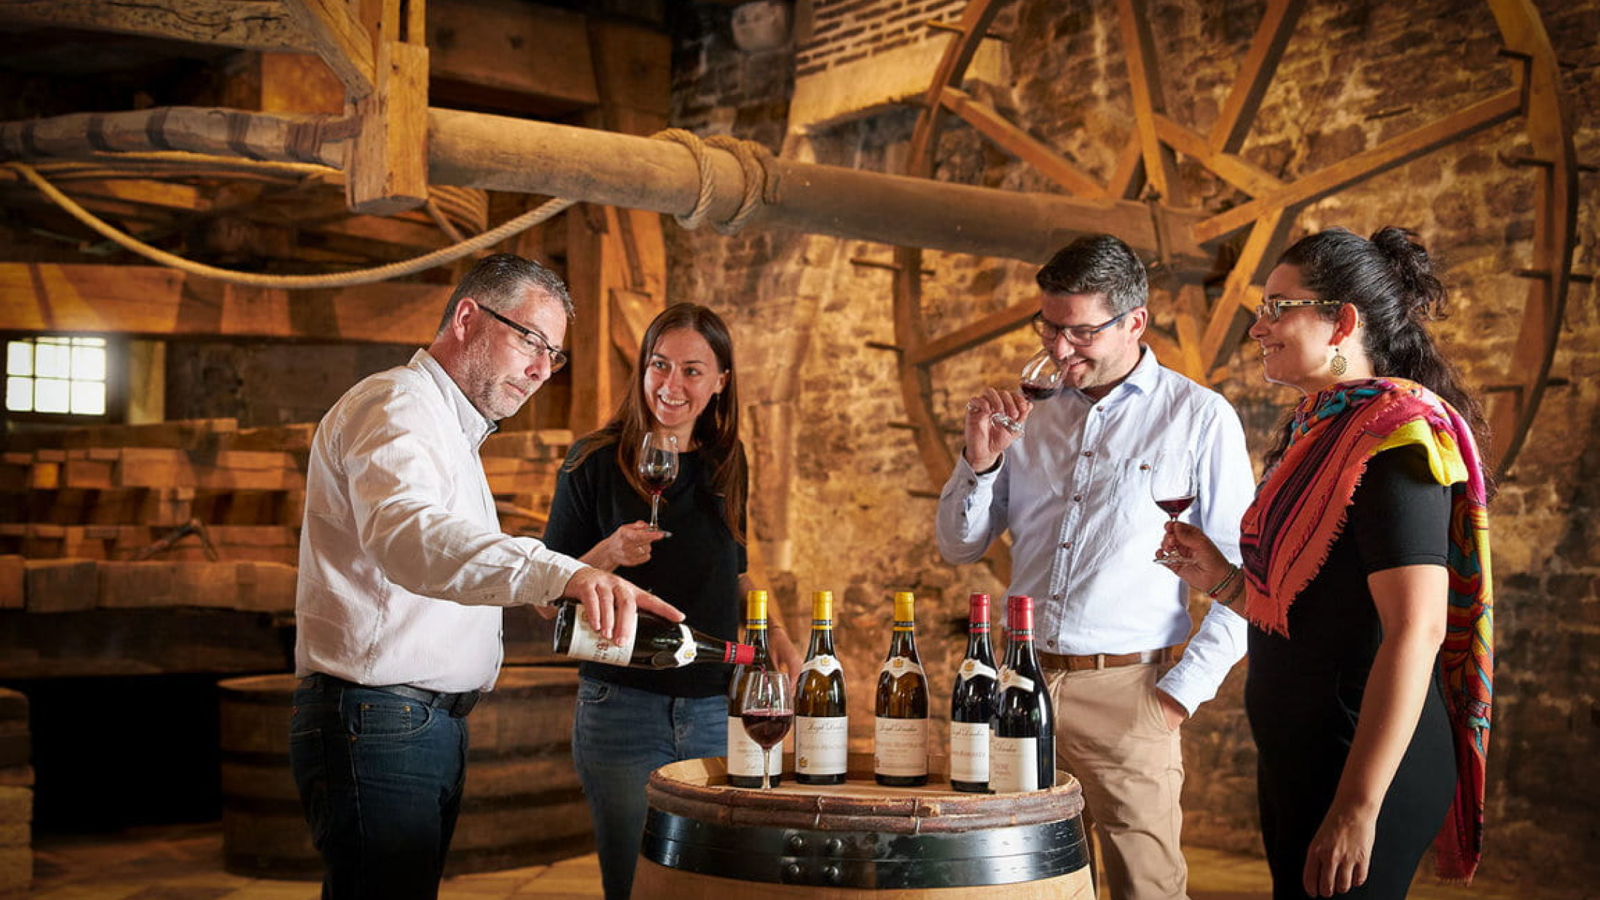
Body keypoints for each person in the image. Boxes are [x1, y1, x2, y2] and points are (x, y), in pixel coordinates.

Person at [289, 253, 679, 900]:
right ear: (467, 318)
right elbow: (409, 537)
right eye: (530, 340)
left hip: (414, 722)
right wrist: (562, 572)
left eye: (553, 355)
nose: (540, 370)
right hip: (379, 718)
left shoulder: (452, 431)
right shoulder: (397, 404)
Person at [1159, 227, 1494, 899]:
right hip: (1304, 758)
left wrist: (1357, 807)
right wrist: (1222, 579)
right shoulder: (1323, 430)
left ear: (1342, 322)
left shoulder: (1396, 440)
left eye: (1277, 308)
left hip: (1364, 766)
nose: (1258, 327)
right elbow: (1310, 611)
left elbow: (1418, 629)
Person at [937, 234, 1255, 900]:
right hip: (1019, 683)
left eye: (1081, 332)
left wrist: (1174, 699)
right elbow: (960, 546)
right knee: (1025, 886)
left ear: (1135, 322)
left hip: (1128, 694)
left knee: (1148, 889)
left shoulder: (1198, 418)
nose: (1059, 349)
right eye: (1048, 327)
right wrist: (980, 463)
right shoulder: (1028, 414)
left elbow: (1245, 582)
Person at [542, 302, 802, 900]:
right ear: (642, 369)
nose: (671, 385)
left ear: (720, 382)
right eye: (659, 365)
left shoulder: (726, 463)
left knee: (714, 884)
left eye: (692, 370)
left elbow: (736, 576)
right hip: (620, 707)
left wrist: (778, 635)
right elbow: (544, 601)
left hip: (715, 708)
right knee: (634, 884)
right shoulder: (591, 462)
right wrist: (609, 553)